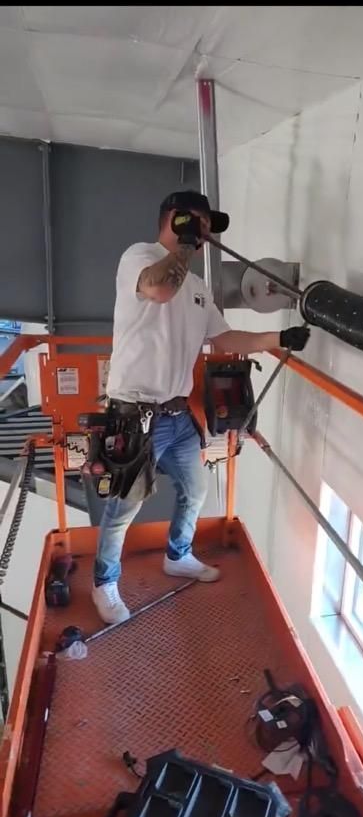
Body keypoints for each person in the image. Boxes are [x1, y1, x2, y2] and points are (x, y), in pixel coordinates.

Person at [92, 190, 309, 624]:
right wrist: (186, 244)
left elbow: (224, 339)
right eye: (198, 224)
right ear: (173, 219)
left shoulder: (196, 287)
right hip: (135, 415)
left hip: (175, 415)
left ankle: (179, 555)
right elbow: (157, 289)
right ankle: (105, 582)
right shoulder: (139, 257)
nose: (206, 234)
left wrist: (276, 340)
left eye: (209, 228)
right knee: (124, 507)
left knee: (197, 488)